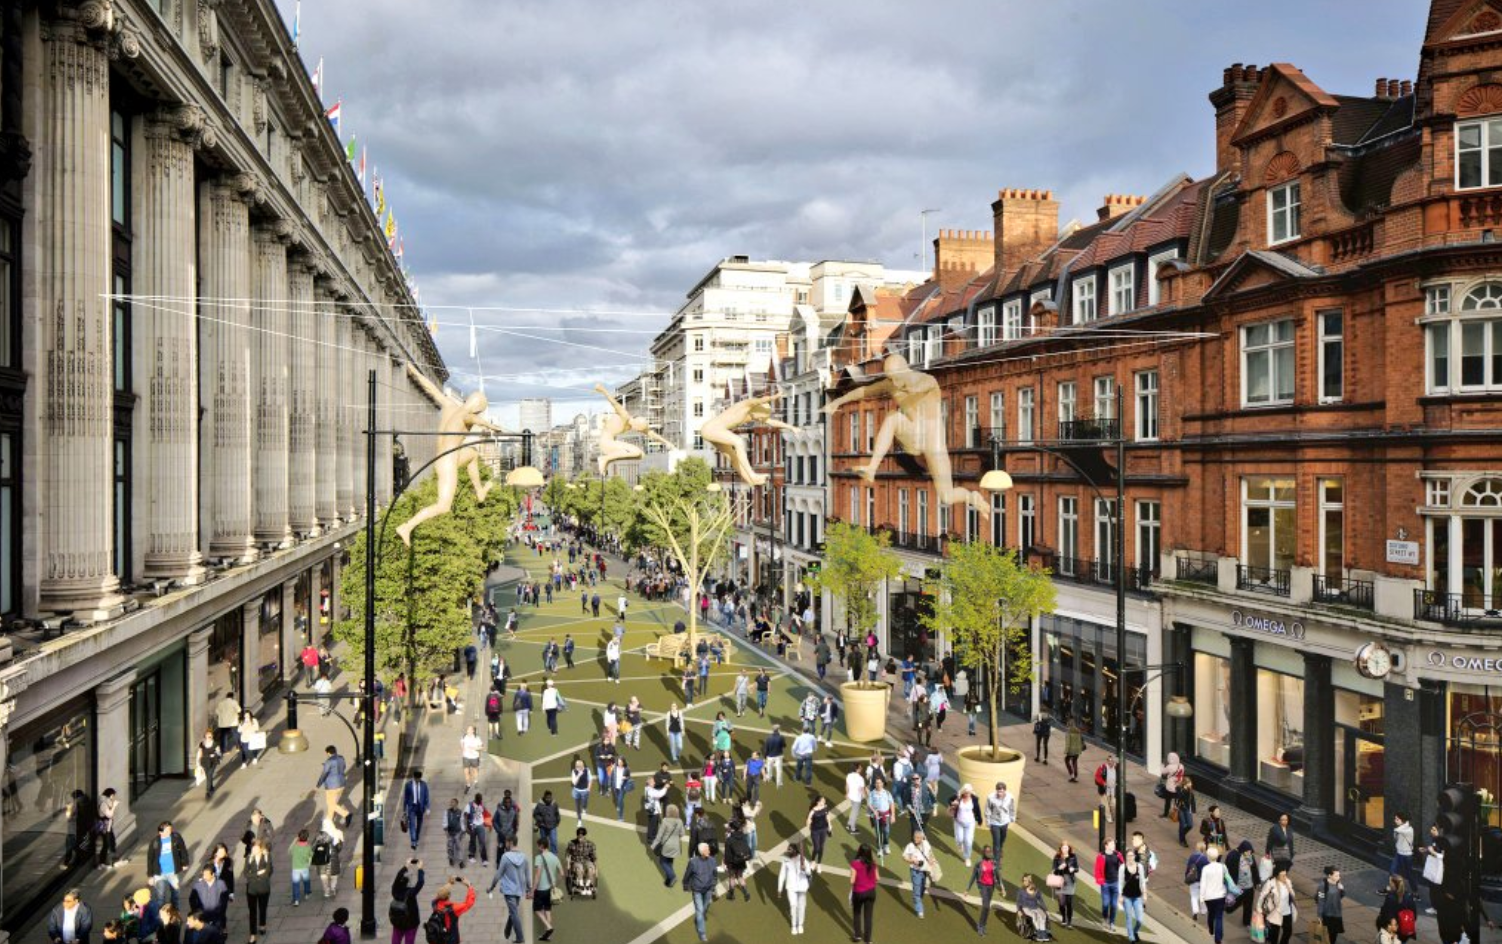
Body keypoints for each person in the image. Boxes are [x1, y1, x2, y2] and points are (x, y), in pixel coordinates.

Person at [488, 835, 530, 944]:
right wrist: (529, 889)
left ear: (510, 843)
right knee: (513, 911)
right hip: (519, 890)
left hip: (509, 891)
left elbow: (498, 874)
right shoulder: (524, 857)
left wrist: (491, 887)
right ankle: (507, 930)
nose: (505, 844)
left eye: (506, 842)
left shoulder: (505, 857)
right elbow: (527, 875)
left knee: (514, 913)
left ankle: (520, 938)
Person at [682, 842, 719, 943]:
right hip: (697, 891)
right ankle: (702, 933)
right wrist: (685, 886)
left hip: (708, 890)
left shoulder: (712, 860)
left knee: (705, 907)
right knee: (699, 911)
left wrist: (713, 885)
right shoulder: (693, 862)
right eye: (707, 849)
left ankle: (700, 918)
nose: (709, 851)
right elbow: (687, 875)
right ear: (702, 852)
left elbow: (715, 874)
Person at [777, 842, 813, 935]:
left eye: (790, 849)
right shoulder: (785, 860)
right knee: (793, 906)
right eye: (788, 849)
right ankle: (793, 926)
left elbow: (809, 873)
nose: (788, 851)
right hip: (791, 887)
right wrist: (779, 889)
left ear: (795, 850)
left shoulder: (803, 859)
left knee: (802, 907)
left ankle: (800, 924)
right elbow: (782, 875)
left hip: (802, 886)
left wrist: (804, 869)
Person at [903, 829, 940, 918]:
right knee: (917, 890)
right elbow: (904, 856)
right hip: (915, 871)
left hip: (924, 870)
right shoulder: (910, 846)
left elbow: (930, 853)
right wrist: (912, 860)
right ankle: (920, 910)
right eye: (915, 837)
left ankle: (917, 898)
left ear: (922, 838)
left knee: (922, 888)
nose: (916, 839)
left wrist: (931, 860)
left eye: (918, 837)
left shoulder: (926, 844)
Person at [531, 837, 563, 942]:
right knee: (548, 910)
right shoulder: (554, 857)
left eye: (538, 845)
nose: (537, 847)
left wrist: (532, 890)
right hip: (550, 889)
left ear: (541, 846)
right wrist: (555, 884)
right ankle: (547, 935)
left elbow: (537, 876)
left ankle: (548, 927)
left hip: (541, 889)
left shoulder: (539, 858)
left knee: (536, 910)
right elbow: (562, 874)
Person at [1198, 845, 1231, 944]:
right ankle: (1218, 938)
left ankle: (1211, 930)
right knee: (1219, 917)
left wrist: (1201, 898)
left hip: (1209, 897)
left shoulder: (1206, 869)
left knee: (1211, 915)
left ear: (1208, 857)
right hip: (1220, 895)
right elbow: (1227, 880)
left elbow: (1203, 884)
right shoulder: (1223, 867)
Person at [428, 880, 477, 944]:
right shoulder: (453, 908)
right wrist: (469, 886)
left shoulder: (434, 903)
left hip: (439, 937)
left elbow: (440, 894)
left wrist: (450, 883)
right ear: (449, 896)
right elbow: (468, 903)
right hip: (451, 939)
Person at [1257, 867, 1298, 944]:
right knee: (1274, 935)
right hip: (1275, 913)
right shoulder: (1271, 883)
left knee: (1288, 932)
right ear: (1277, 875)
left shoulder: (1287, 881)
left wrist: (1288, 887)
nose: (1285, 877)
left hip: (1287, 911)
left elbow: (1293, 895)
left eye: (1285, 875)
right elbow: (1262, 895)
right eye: (1282, 875)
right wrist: (1259, 908)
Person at [966, 846, 1001, 936]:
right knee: (985, 906)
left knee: (987, 907)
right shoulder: (979, 863)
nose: (989, 853)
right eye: (987, 851)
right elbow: (973, 876)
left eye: (990, 851)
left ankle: (983, 925)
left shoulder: (993, 863)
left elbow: (998, 875)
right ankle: (980, 926)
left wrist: (1002, 887)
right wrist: (967, 889)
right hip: (983, 886)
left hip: (991, 887)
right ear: (983, 853)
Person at [389, 860, 425, 944]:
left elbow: (397, 878)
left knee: (395, 941)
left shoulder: (394, 890)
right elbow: (420, 882)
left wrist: (406, 866)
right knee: (409, 941)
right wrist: (420, 869)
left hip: (398, 921)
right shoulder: (410, 893)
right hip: (411, 923)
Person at [849, 844, 879, 944]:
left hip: (859, 892)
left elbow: (852, 881)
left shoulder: (854, 864)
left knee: (857, 913)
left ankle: (857, 936)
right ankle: (868, 940)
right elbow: (878, 878)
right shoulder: (873, 863)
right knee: (868, 917)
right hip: (871, 892)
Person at [243, 841, 272, 944]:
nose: (253, 851)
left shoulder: (266, 857)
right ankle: (253, 935)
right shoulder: (249, 858)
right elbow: (246, 873)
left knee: (263, 908)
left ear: (261, 849)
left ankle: (262, 924)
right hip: (252, 889)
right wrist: (258, 874)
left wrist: (254, 874)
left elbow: (268, 871)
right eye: (252, 849)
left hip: (264, 888)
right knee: (252, 912)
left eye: (255, 849)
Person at [1095, 837, 1125, 932]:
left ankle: (1112, 923)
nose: (1114, 846)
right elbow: (1097, 870)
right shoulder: (1101, 856)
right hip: (1105, 884)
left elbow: (1123, 865)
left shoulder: (1118, 854)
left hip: (1116, 883)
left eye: (1114, 844)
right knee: (1105, 904)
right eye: (1112, 844)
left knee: (1114, 905)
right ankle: (1105, 918)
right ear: (1106, 845)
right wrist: (1101, 881)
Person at [651, 804, 685, 887]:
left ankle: (672, 876)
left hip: (666, 846)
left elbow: (659, 835)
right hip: (675, 846)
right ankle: (669, 880)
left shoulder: (665, 821)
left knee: (662, 862)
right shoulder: (679, 821)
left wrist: (654, 845)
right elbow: (682, 834)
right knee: (669, 862)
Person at [316, 746, 351, 825]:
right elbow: (343, 767)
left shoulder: (329, 761)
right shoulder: (341, 758)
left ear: (328, 753)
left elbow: (324, 774)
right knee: (333, 803)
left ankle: (346, 814)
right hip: (341, 783)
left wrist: (318, 784)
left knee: (330, 804)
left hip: (331, 786)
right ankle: (329, 820)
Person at [1376, 875, 1416, 943]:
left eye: (1390, 883)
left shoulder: (1390, 897)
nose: (1389, 884)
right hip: (1404, 929)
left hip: (1392, 928)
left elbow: (1385, 913)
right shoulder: (1409, 896)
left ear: (1394, 885)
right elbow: (1414, 914)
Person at [984, 781, 1016, 863]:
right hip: (994, 822)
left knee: (1002, 839)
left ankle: (1000, 850)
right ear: (996, 790)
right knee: (996, 842)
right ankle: (997, 861)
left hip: (1005, 822)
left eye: (1001, 791)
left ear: (1005, 790)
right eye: (998, 791)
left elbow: (1012, 808)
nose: (999, 793)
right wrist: (988, 821)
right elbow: (987, 809)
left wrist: (1012, 817)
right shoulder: (990, 797)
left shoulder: (1010, 797)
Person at [951, 783, 981, 867]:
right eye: (966, 792)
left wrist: (979, 819)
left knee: (968, 841)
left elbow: (977, 809)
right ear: (963, 791)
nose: (968, 794)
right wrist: (953, 804)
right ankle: (960, 845)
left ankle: (967, 858)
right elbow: (949, 800)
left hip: (970, 823)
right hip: (958, 822)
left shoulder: (974, 799)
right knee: (959, 839)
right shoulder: (958, 797)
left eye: (969, 792)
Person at [1051, 841, 1080, 928]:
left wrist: (1073, 869)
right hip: (1060, 881)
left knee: (1069, 902)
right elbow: (1053, 870)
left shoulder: (1073, 857)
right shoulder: (1057, 857)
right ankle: (1064, 917)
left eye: (1066, 848)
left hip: (1070, 881)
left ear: (1069, 848)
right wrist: (1058, 868)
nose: (1065, 849)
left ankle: (1069, 922)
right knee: (1061, 903)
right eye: (1063, 848)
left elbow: (1077, 868)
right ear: (1061, 848)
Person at [314, 817, 344, 898]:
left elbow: (313, 849)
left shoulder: (318, 837)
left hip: (321, 863)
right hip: (333, 862)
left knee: (324, 878)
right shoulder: (336, 834)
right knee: (334, 877)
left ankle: (326, 892)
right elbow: (339, 849)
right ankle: (333, 889)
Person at [1122, 850, 1148, 942]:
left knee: (1139, 920)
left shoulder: (1139, 867)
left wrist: (1145, 894)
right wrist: (1120, 896)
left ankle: (1134, 931)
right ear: (1126, 857)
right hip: (1127, 897)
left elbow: (1142, 882)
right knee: (1128, 917)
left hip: (1137, 897)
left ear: (1134, 856)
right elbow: (1120, 882)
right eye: (1128, 856)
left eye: (1131, 855)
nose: (1130, 857)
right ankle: (1131, 938)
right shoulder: (1123, 867)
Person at [564, 827, 597, 900]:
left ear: (585, 836)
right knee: (579, 868)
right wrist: (568, 863)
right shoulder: (571, 843)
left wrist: (596, 868)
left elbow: (593, 857)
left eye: (582, 836)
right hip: (576, 861)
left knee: (590, 869)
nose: (580, 838)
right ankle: (581, 886)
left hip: (587, 861)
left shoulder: (590, 844)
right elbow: (567, 854)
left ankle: (588, 885)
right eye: (579, 836)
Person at [1017, 874, 1051, 940]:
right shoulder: (1021, 891)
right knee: (1034, 915)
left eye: (1026, 880)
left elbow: (1041, 901)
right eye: (1024, 880)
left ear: (1031, 881)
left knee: (1043, 915)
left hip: (1035, 907)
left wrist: (1046, 910)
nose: (1024, 882)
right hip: (1025, 907)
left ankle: (1043, 933)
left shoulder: (1037, 891)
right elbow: (1018, 901)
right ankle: (1038, 933)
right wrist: (1019, 910)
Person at [868, 775, 895, 857]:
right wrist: (874, 811)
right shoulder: (872, 793)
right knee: (878, 833)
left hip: (886, 815)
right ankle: (879, 849)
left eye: (880, 783)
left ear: (883, 784)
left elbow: (891, 803)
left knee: (886, 832)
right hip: (876, 815)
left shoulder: (887, 793)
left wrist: (893, 815)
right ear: (875, 784)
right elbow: (869, 804)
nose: (878, 784)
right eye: (876, 783)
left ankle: (886, 845)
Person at [1317, 866, 1346, 944]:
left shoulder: (1338, 884)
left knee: (1334, 935)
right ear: (1330, 875)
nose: (1338, 877)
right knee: (1326, 935)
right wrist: (1319, 915)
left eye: (1339, 875)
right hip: (1327, 914)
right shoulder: (1323, 885)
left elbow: (1340, 896)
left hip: (1336, 913)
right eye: (1336, 875)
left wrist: (1342, 890)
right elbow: (1320, 900)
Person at [403, 770, 431, 850]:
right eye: (417, 779)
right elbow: (406, 797)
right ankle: (413, 841)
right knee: (412, 825)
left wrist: (428, 807)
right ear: (414, 777)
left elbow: (426, 796)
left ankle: (417, 838)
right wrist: (404, 809)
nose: (418, 780)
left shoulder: (424, 785)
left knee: (419, 825)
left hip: (420, 807)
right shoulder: (408, 785)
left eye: (419, 779)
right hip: (412, 807)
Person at [1391, 813, 1416, 889]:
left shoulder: (1409, 830)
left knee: (1409, 875)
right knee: (1392, 871)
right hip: (1398, 854)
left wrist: (1405, 823)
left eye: (1397, 819)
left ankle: (1415, 892)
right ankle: (1392, 888)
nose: (1395, 821)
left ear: (1403, 821)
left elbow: (1396, 830)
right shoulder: (1400, 828)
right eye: (1395, 818)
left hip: (1407, 856)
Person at [806, 796, 832, 869]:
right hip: (815, 831)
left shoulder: (825, 808)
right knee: (816, 848)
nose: (824, 802)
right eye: (823, 801)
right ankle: (813, 861)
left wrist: (830, 825)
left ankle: (819, 864)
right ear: (818, 802)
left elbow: (827, 816)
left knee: (821, 847)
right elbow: (808, 820)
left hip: (824, 829)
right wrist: (808, 823)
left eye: (824, 801)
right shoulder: (813, 811)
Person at [194, 731, 221, 799]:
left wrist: (215, 754)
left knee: (210, 774)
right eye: (207, 737)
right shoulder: (202, 744)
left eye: (210, 736)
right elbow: (200, 753)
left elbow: (219, 753)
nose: (209, 738)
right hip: (205, 762)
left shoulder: (215, 744)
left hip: (213, 761)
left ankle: (208, 791)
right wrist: (198, 762)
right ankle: (211, 787)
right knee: (207, 775)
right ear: (205, 737)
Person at [534, 790, 561, 854]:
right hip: (543, 826)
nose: (548, 799)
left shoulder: (554, 804)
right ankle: (544, 854)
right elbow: (535, 814)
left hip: (552, 826)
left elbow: (557, 813)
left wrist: (558, 821)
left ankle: (554, 856)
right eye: (547, 798)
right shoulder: (539, 805)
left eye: (550, 798)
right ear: (544, 797)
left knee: (553, 841)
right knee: (544, 842)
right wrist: (540, 819)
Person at [1174, 776, 1198, 847]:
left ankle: (1182, 833)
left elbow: (1192, 801)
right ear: (1185, 783)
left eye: (1190, 782)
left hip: (1187, 809)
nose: (1191, 784)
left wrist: (1193, 810)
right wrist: (1184, 789)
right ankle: (1182, 840)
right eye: (1189, 783)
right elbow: (1179, 797)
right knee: (1182, 824)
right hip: (1180, 809)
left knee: (1190, 825)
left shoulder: (1190, 791)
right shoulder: (1179, 789)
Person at [845, 762, 868, 834]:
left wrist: (847, 793)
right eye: (860, 767)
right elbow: (862, 790)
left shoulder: (849, 775)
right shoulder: (860, 778)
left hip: (851, 796)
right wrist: (867, 798)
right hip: (857, 798)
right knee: (855, 813)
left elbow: (847, 785)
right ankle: (853, 829)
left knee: (853, 811)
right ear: (857, 769)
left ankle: (849, 824)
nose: (862, 768)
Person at [1095, 755, 1118, 822]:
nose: (1110, 762)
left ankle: (1111, 815)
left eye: (1112, 761)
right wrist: (1103, 783)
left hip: (1113, 789)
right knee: (1106, 805)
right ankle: (1108, 817)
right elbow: (1097, 776)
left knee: (1113, 804)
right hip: (1104, 789)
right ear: (1107, 761)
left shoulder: (1117, 768)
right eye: (1109, 761)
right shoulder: (1102, 767)